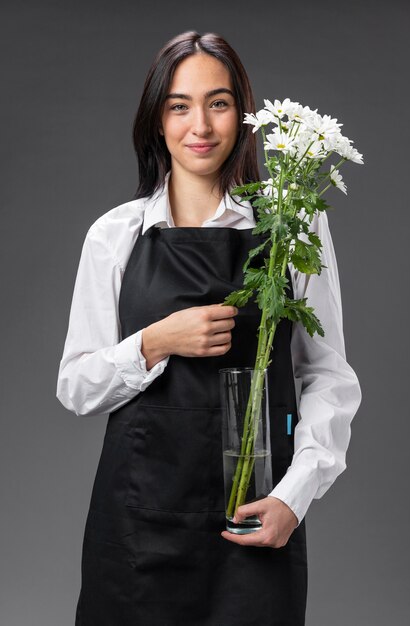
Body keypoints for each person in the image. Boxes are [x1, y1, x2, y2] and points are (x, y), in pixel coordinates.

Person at [56, 30, 362, 626]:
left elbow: (327, 373)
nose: (200, 125)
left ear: (243, 115)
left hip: (254, 515)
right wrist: (155, 342)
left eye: (218, 103)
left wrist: (291, 499)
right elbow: (76, 386)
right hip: (138, 524)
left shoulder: (293, 223)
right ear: (156, 119)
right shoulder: (115, 235)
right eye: (179, 105)